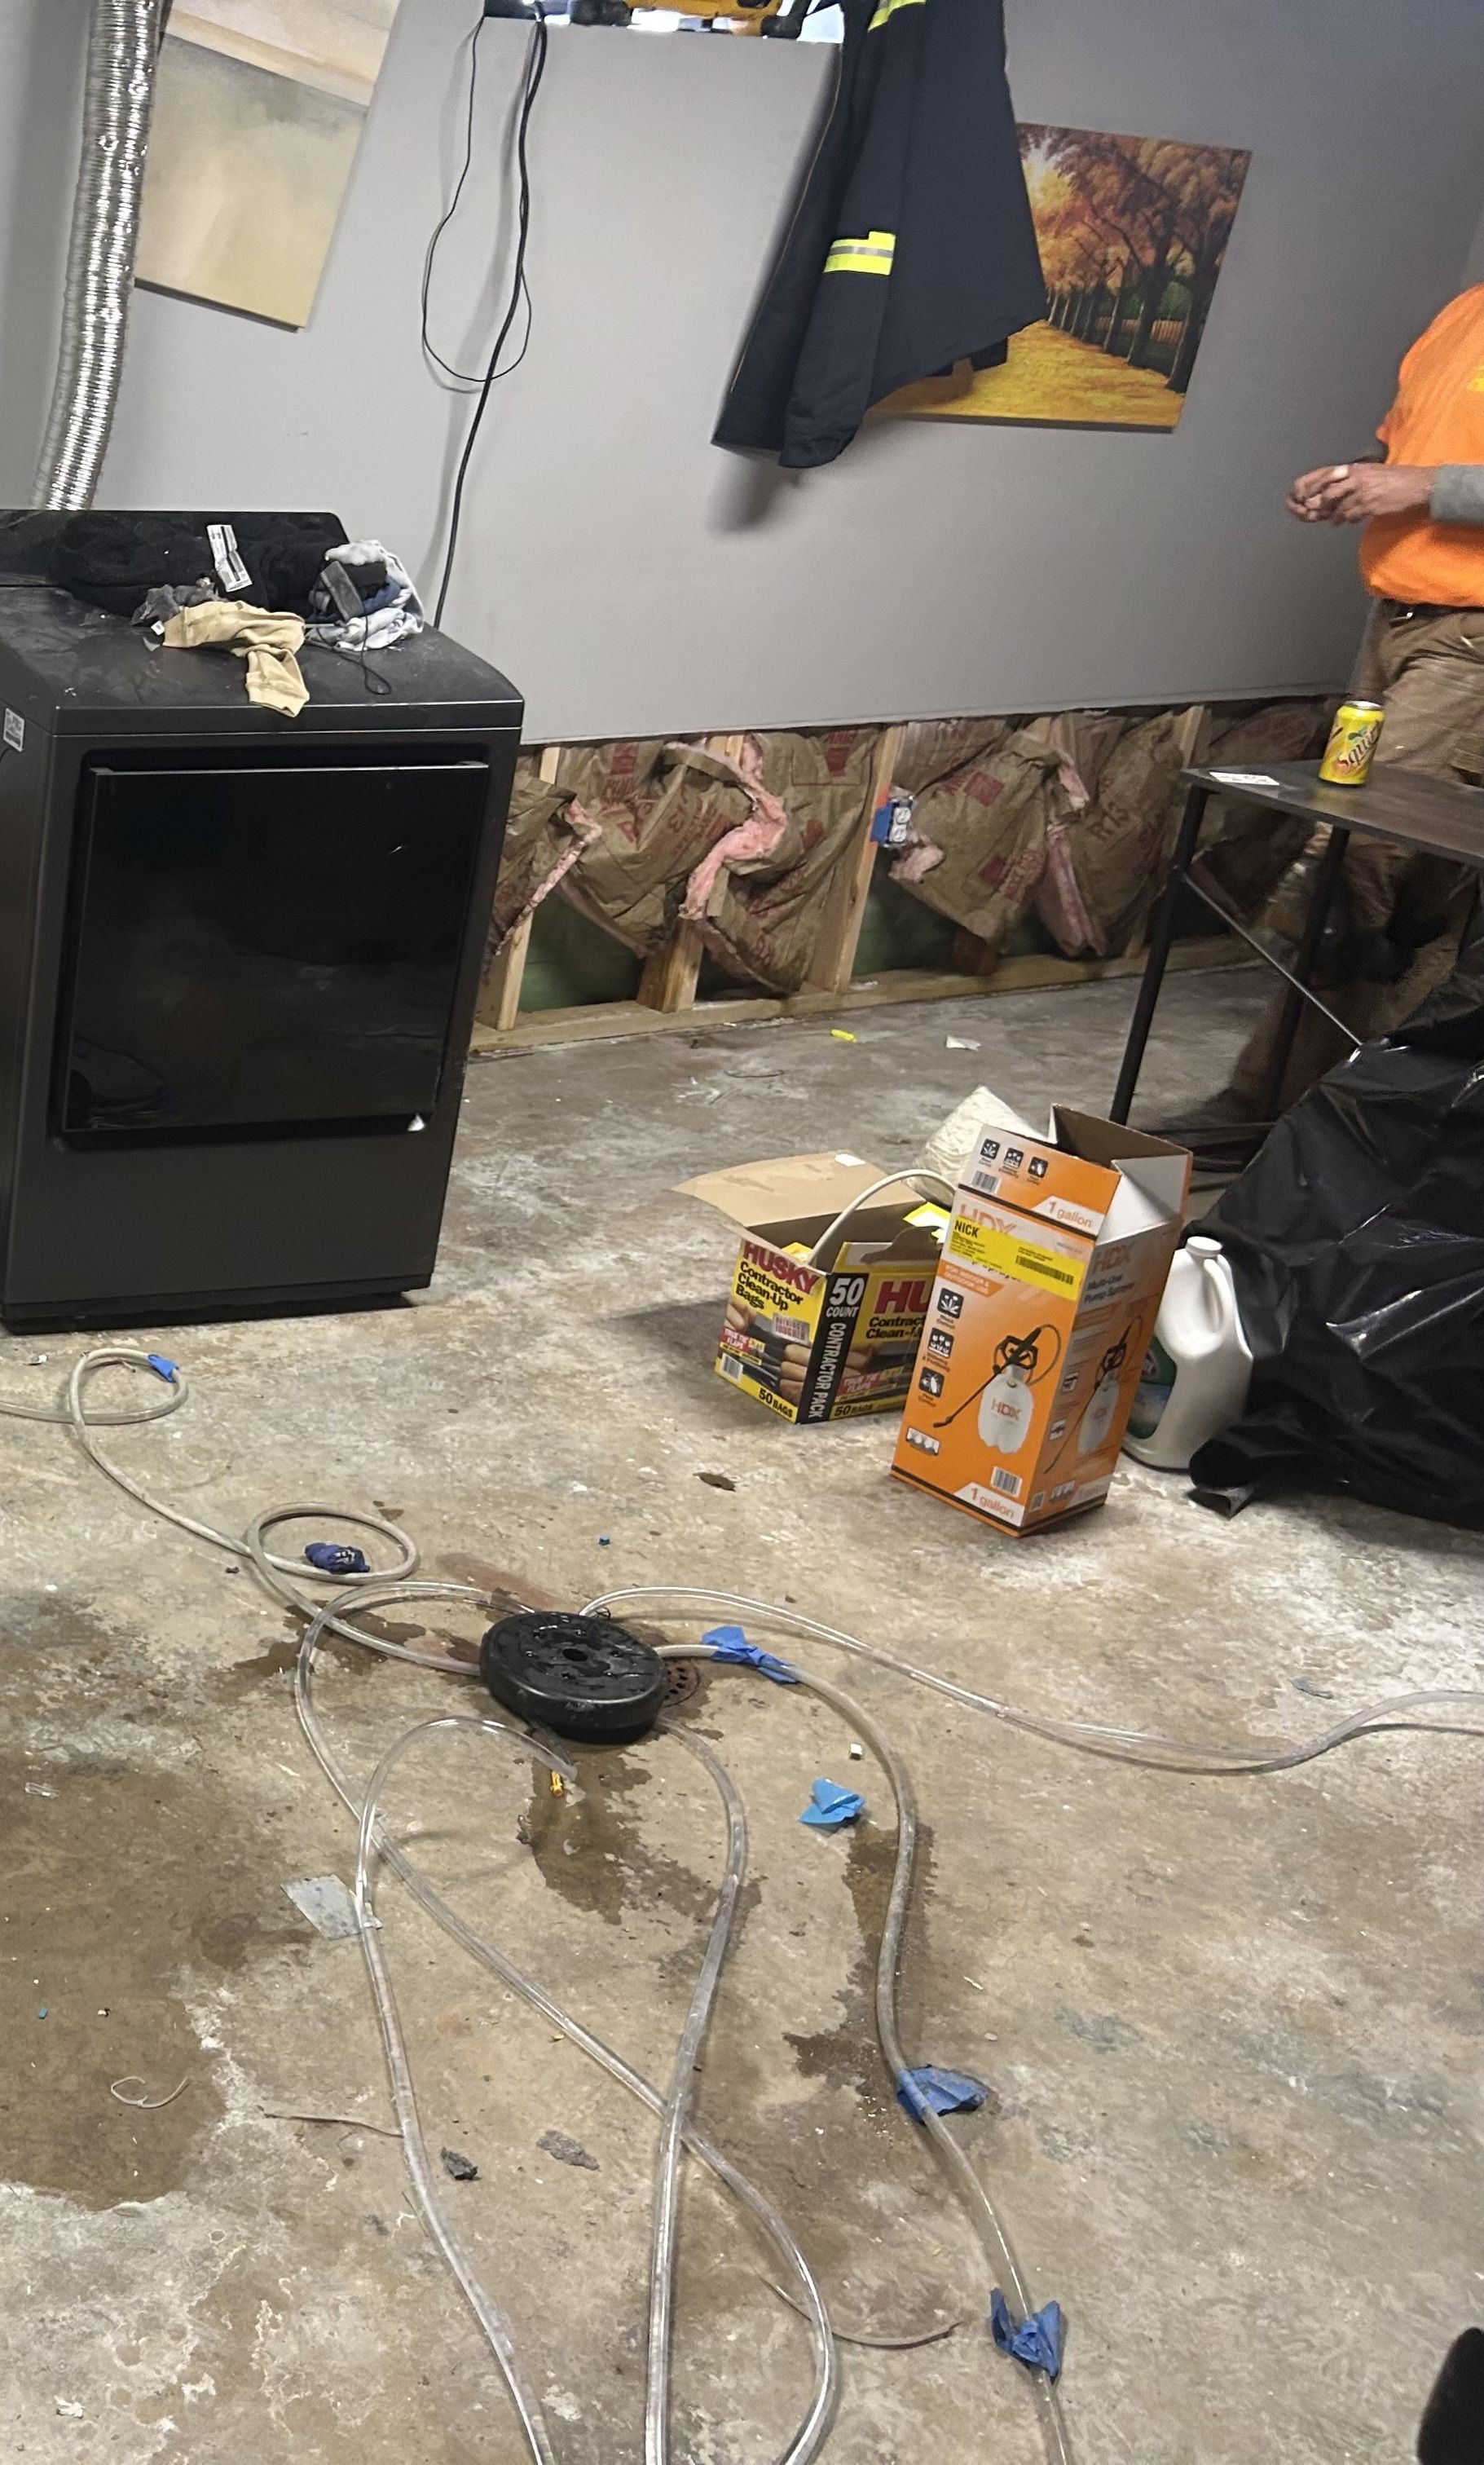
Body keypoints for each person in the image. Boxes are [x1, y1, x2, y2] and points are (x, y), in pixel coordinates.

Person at [1201, 285, 1484, 1129]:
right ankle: (1281, 1115)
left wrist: (1421, 486)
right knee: (1351, 867)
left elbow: (1430, 476)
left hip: (1472, 642)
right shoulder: (1464, 311)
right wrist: (1358, 482)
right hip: (1396, 622)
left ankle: (1333, 1126)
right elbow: (1418, 451)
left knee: (1364, 863)